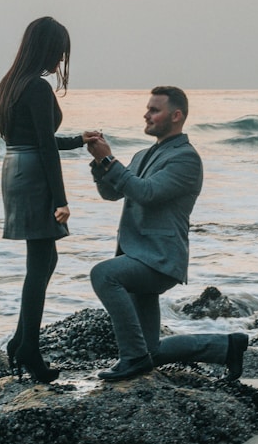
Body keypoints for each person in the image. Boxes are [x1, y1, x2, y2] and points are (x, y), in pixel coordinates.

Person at [88, 87, 249, 382]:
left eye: (154, 110)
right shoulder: (142, 155)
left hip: (159, 259)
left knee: (103, 275)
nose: (146, 115)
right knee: (152, 351)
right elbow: (112, 192)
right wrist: (100, 164)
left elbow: (147, 193)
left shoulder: (185, 159)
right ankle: (227, 347)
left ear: (176, 116)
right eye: (147, 108)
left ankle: (132, 359)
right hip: (137, 254)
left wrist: (111, 161)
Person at [0, 16, 97, 384]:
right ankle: (28, 350)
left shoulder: (11, 83)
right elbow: (44, 150)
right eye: (60, 53)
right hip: (34, 174)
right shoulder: (36, 87)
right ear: (47, 49)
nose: (61, 61)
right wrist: (61, 200)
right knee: (41, 263)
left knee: (41, 260)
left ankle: (22, 342)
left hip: (15, 169)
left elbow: (35, 138)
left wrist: (76, 141)